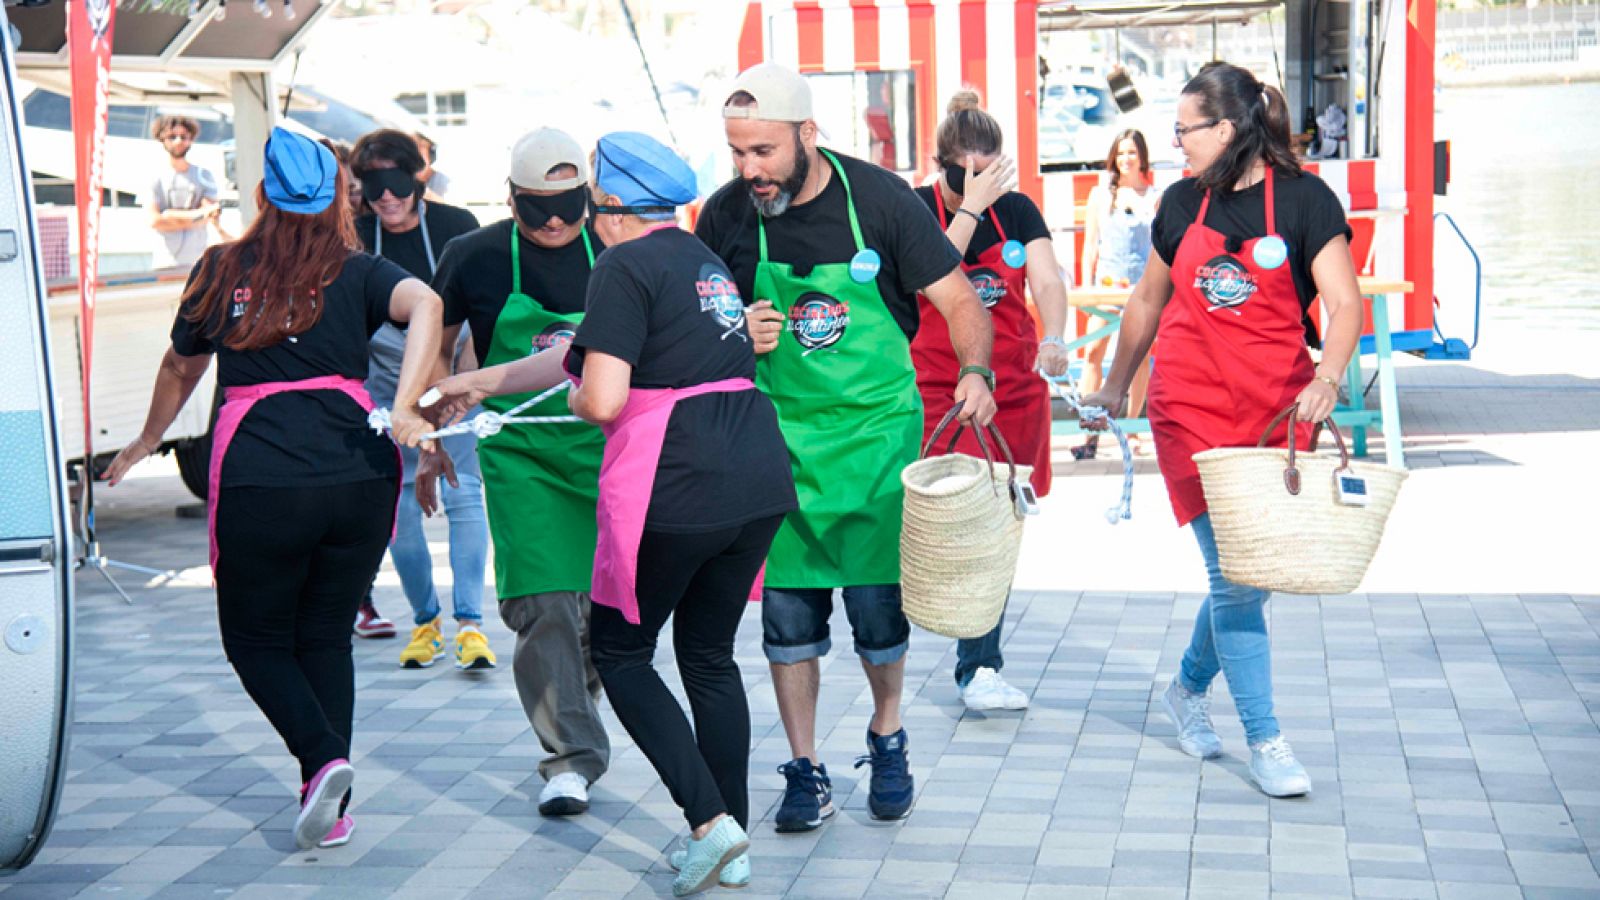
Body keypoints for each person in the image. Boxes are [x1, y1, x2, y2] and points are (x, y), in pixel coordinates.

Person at [431, 130, 797, 897]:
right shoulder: (698, 259)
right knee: (708, 657)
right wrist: (480, 380)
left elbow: (597, 395)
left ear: (614, 208)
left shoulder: (622, 265)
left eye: (593, 204)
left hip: (681, 476)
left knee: (624, 653)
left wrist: (576, 401)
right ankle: (733, 840)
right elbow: (580, 353)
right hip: (756, 476)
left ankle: (708, 823)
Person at [104, 127, 440, 849]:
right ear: (338, 196)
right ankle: (330, 802)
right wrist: (407, 405)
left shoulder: (220, 267)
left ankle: (321, 760)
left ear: (262, 194)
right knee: (325, 636)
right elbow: (429, 306)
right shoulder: (357, 268)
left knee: (255, 639)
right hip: (360, 471)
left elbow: (181, 366)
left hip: (263, 475)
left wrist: (145, 439)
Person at [695, 63, 997, 831]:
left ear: (807, 134)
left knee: (877, 613)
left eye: (763, 151)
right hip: (780, 446)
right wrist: (735, 332)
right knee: (788, 621)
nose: (749, 170)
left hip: (875, 444)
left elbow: (960, 301)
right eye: (737, 152)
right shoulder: (726, 216)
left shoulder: (882, 201)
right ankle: (805, 769)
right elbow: (697, 330)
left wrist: (975, 371)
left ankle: (887, 737)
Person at [1080, 62, 1363, 798]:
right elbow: (1147, 302)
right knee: (1235, 578)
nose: (1175, 142)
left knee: (1251, 576)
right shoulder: (1180, 203)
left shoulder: (1304, 200)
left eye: (1186, 130)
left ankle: (1186, 688)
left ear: (1228, 129)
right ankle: (1266, 739)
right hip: (1190, 409)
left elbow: (1345, 305)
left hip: (1276, 416)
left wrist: (1329, 377)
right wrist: (1115, 382)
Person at [424, 127, 611, 816]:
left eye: (568, 206)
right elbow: (437, 351)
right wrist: (430, 440)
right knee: (545, 601)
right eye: (538, 209)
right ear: (511, 199)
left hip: (609, 448)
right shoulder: (472, 256)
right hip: (521, 452)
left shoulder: (616, 251)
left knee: (606, 611)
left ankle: (575, 705)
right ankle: (570, 757)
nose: (555, 222)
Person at [911, 89, 1072, 712]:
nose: (979, 183)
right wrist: (970, 209)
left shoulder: (1019, 210)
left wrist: (1054, 336)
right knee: (937, 519)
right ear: (941, 165)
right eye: (966, 173)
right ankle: (909, 627)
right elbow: (932, 273)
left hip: (1011, 391)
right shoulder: (915, 208)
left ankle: (979, 664)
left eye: (990, 171)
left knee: (996, 525)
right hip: (937, 385)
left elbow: (1047, 279)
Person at [349, 129, 491, 669]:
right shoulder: (353, 233)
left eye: (396, 182)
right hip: (386, 374)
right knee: (401, 504)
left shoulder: (458, 226)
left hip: (455, 368)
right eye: (372, 185)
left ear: (419, 178)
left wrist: (465, 383)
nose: (386, 196)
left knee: (463, 491)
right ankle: (425, 620)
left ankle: (470, 624)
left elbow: (482, 309)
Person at [320, 137, 397, 641]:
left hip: (374, 388)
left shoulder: (365, 242)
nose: (353, 197)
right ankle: (351, 598)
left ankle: (357, 597)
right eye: (343, 189)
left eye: (354, 188)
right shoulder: (324, 247)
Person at [1075, 129, 1160, 459]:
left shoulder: (1154, 196)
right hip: (1106, 286)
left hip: (1141, 288)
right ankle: (1089, 429)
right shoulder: (1100, 195)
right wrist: (1086, 288)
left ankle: (1133, 427)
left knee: (1139, 357)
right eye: (1121, 153)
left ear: (1142, 157)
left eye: (1132, 153)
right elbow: (1090, 247)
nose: (1126, 159)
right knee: (1093, 352)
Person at [147, 115, 229, 269]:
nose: (178, 141)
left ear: (191, 139)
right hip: (164, 263)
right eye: (172, 136)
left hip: (199, 263)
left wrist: (169, 216)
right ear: (162, 139)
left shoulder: (204, 175)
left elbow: (208, 215)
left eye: (183, 137)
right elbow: (155, 221)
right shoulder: (155, 177)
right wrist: (195, 216)